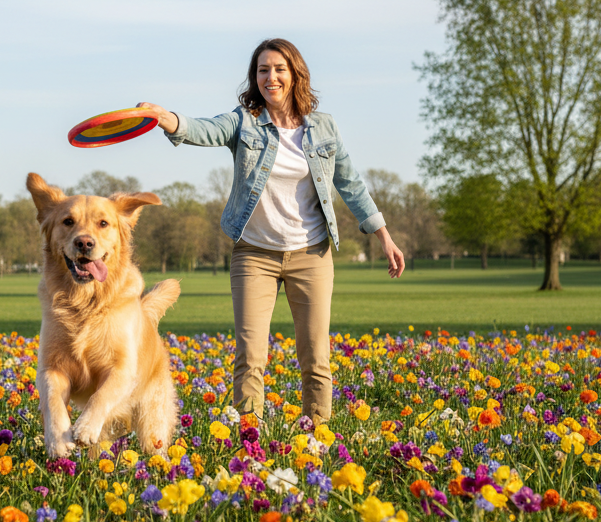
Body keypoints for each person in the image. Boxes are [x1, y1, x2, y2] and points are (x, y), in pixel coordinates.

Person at [138, 38, 404, 425]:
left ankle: (318, 435)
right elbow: (204, 130)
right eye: (263, 70)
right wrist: (167, 118)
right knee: (250, 356)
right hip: (254, 255)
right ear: (255, 77)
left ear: (296, 73)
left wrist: (384, 235)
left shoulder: (324, 127)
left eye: (279, 69)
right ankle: (249, 440)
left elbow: (351, 184)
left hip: (311, 254)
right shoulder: (243, 120)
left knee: (315, 354)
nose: (271, 77)